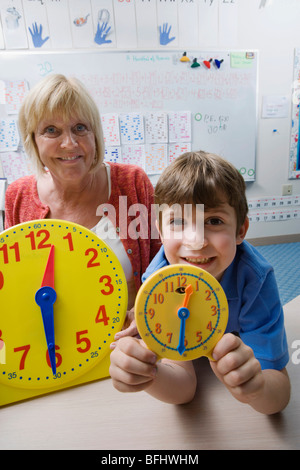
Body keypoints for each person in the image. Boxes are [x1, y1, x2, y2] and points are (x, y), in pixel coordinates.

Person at [109, 151, 291, 414]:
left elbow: (279, 394)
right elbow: (184, 389)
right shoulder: (158, 283)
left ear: (240, 231)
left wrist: (258, 388)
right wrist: (146, 372)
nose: (196, 241)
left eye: (214, 221)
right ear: (160, 231)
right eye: (178, 222)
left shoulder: (256, 280)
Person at [4, 74, 161, 310]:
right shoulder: (19, 196)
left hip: (127, 343)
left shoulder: (132, 183)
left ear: (95, 135)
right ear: (33, 140)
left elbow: (162, 267)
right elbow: (13, 282)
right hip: (51, 342)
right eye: (51, 130)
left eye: (80, 128)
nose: (69, 143)